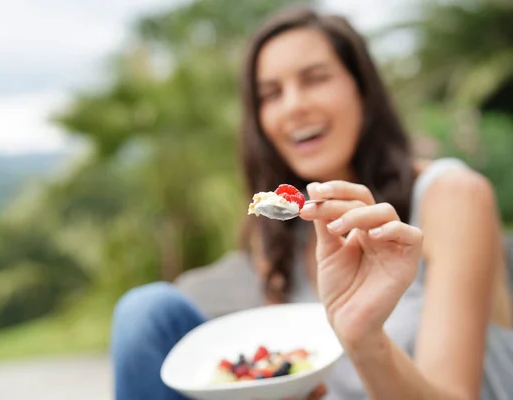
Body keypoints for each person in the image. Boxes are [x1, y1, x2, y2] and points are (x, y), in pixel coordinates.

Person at [111, 5, 513, 400]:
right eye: (271, 94)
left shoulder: (453, 195)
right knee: (147, 313)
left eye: (315, 79)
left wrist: (362, 336)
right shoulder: (277, 230)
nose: (293, 106)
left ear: (362, 89)